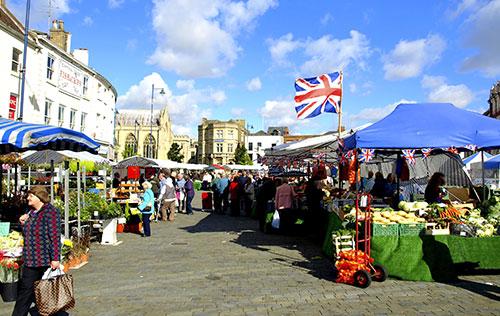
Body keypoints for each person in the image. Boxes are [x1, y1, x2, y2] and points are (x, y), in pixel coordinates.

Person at [13, 186, 61, 316]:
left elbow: (55, 236)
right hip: (31, 258)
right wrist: (23, 223)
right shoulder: (31, 212)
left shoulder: (50, 212)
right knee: (28, 292)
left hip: (44, 259)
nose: (28, 198)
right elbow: (30, 233)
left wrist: (55, 258)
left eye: (31, 196)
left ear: (40, 197)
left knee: (38, 292)